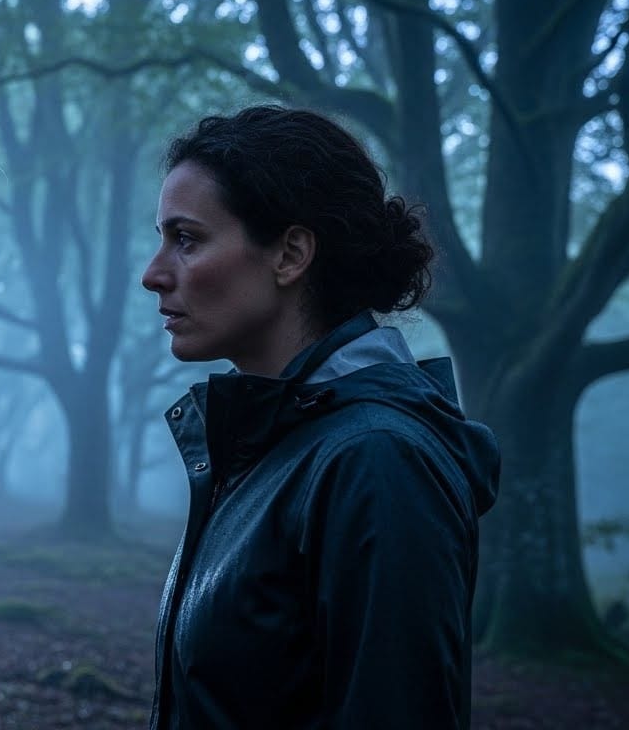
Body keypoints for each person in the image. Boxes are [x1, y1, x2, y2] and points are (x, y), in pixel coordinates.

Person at [141, 105, 499, 729]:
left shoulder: (377, 461)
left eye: (187, 239)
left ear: (290, 254)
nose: (154, 274)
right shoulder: (278, 442)